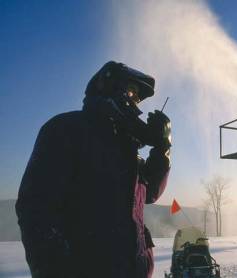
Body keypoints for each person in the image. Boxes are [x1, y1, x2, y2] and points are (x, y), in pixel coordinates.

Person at [15, 61, 171, 278]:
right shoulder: (67, 130)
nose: (134, 102)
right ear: (108, 86)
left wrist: (162, 150)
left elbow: (150, 192)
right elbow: (35, 210)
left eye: (137, 97)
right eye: (131, 91)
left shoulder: (127, 149)